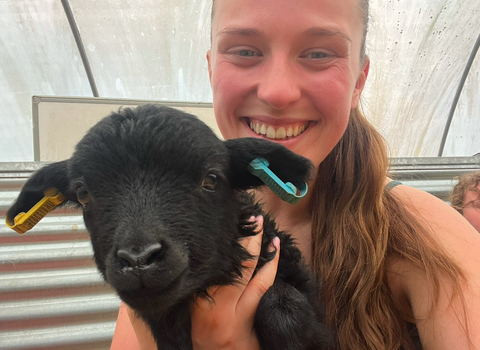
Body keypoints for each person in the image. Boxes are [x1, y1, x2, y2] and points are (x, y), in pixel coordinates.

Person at [110, 0, 480, 349]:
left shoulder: (429, 237)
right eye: (244, 51)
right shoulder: (164, 236)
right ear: (210, 68)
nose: (278, 93)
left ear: (358, 80)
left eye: (319, 53)